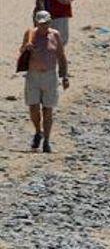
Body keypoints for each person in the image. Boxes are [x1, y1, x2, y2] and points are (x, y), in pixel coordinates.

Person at [20, 11, 69, 153]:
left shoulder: (55, 35)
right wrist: (26, 47)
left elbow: (61, 56)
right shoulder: (30, 34)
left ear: (49, 22)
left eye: (45, 23)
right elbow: (21, 50)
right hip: (33, 75)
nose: (43, 26)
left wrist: (64, 76)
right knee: (33, 106)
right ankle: (38, 131)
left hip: (50, 75)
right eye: (40, 23)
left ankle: (47, 140)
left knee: (48, 108)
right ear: (36, 22)